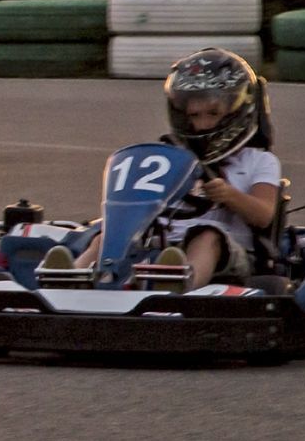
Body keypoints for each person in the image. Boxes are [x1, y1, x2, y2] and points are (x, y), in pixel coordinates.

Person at [45, 48, 281, 290]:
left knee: (208, 234)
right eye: (194, 115)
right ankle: (70, 278)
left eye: (212, 113)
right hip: (160, 247)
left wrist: (229, 195)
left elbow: (264, 215)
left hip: (229, 255)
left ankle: (180, 285)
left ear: (238, 109)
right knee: (106, 236)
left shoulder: (259, 161)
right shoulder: (171, 156)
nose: (202, 124)